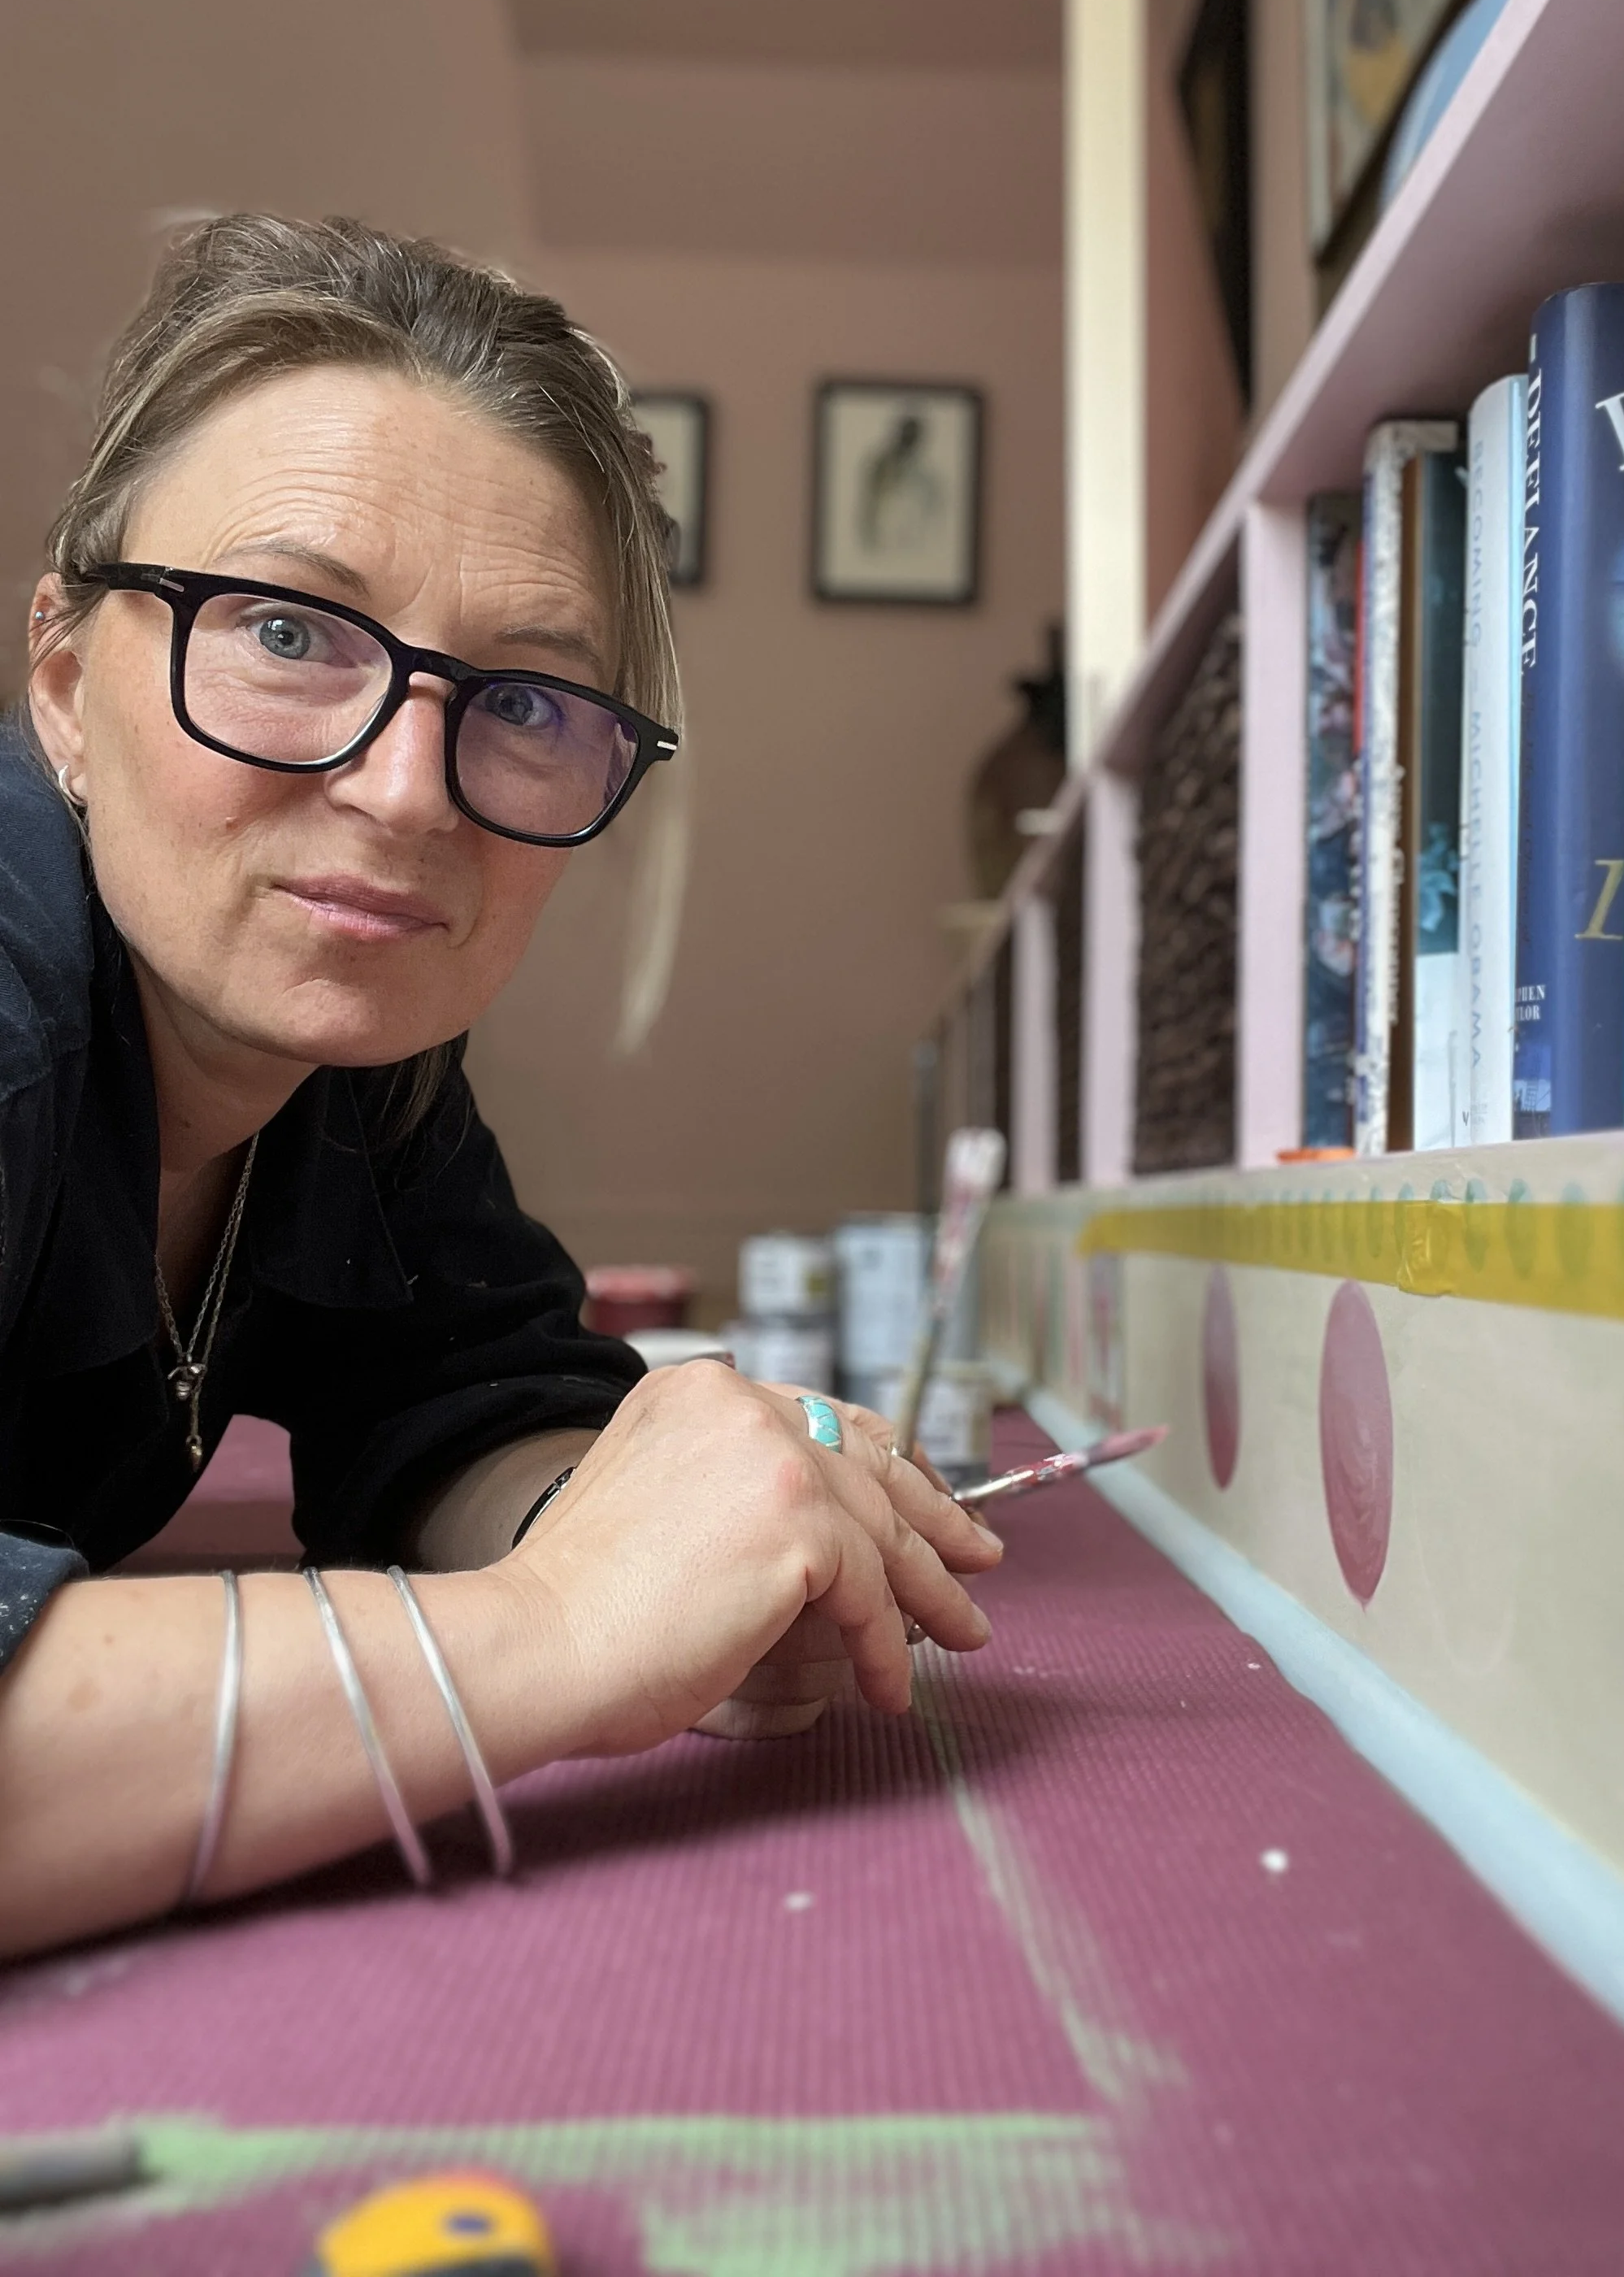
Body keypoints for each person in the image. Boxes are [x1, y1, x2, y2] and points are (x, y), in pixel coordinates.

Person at [0, 214, 1000, 1960]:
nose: (406, 791)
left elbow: (466, 1391)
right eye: (293, 634)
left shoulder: (353, 1086)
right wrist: (560, 1626)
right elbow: (562, 1601)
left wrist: (683, 1518)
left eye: (525, 699)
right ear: (70, 683)